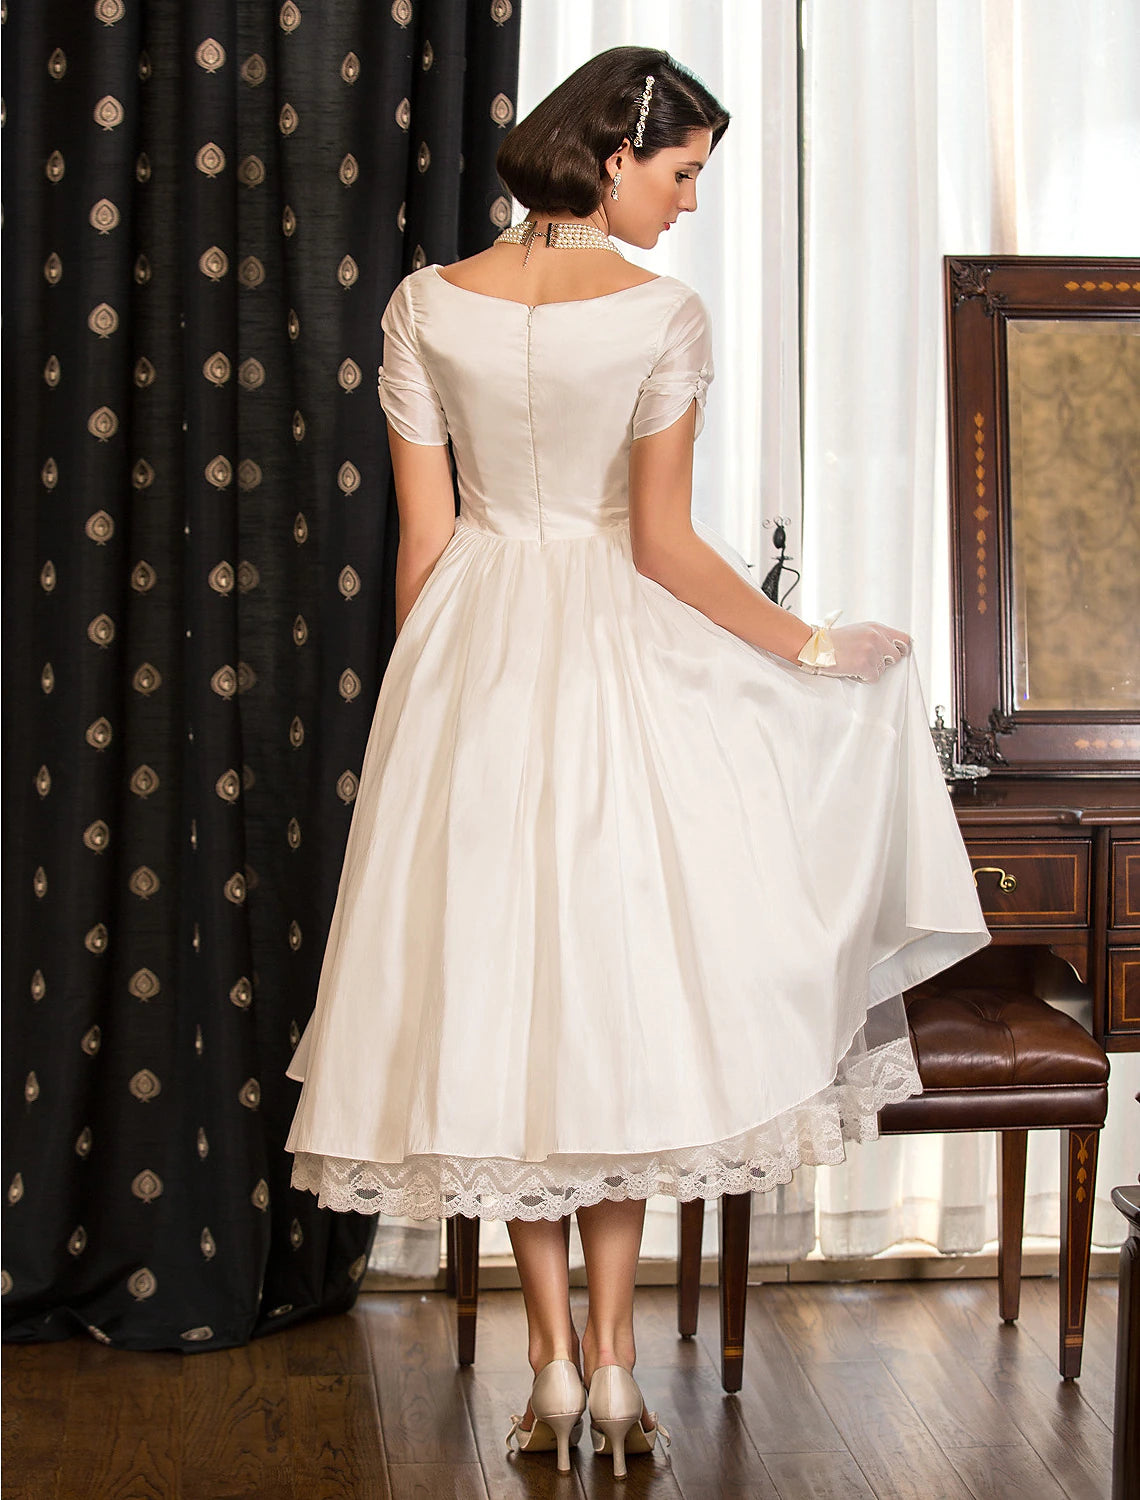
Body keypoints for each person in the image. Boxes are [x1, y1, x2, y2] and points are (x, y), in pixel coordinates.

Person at [284, 45, 990, 1477]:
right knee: (621, 1019)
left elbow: (426, 542)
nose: (688, 202)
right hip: (615, 669)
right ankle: (613, 1372)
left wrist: (421, 711)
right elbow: (662, 547)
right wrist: (813, 648)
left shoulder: (425, 303)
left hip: (469, 667)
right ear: (614, 156)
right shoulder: (661, 313)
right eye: (681, 172)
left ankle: (549, 1365)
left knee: (501, 1027)